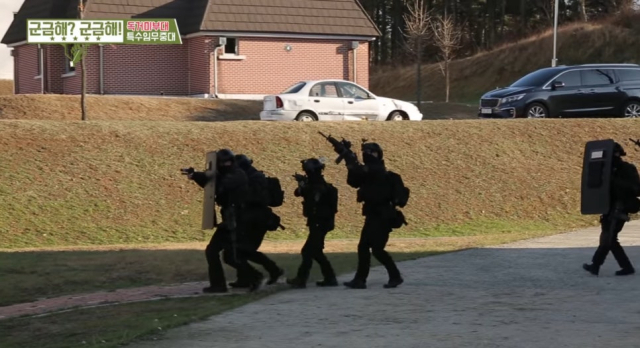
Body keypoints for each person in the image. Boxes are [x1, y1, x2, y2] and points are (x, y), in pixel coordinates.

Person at [185, 149, 264, 293]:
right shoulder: (227, 174)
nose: (225, 164)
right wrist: (195, 175)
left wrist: (205, 175)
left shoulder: (237, 175)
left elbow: (219, 184)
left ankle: (250, 277)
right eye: (222, 162)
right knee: (224, 255)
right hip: (230, 219)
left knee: (224, 255)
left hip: (237, 221)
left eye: (227, 162)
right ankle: (240, 279)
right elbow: (211, 183)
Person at [339, 141, 407, 289]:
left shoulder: (377, 170)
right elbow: (353, 181)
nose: (367, 154)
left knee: (377, 249)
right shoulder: (367, 171)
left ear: (378, 154)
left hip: (383, 215)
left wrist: (351, 159)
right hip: (372, 214)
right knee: (363, 247)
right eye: (365, 152)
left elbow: (368, 171)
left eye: (370, 152)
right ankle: (360, 279)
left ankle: (395, 276)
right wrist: (349, 161)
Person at [225, 154, 284, 288]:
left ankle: (266, 273)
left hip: (257, 220)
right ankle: (265, 272)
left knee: (243, 250)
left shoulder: (255, 178)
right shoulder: (249, 177)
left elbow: (255, 198)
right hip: (250, 218)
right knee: (242, 251)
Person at [583, 142, 640, 276]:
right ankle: (623, 267)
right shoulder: (606, 170)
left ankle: (596, 265)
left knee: (609, 238)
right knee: (609, 238)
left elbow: (636, 189)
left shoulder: (627, 169)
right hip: (609, 207)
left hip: (620, 207)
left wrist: (616, 182)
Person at [286, 158, 339, 288]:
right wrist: (302, 184)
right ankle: (329, 278)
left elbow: (310, 195)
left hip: (320, 222)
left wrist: (304, 184)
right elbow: (298, 193)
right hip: (319, 222)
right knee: (315, 251)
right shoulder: (316, 184)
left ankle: (302, 279)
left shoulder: (319, 186)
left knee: (308, 251)